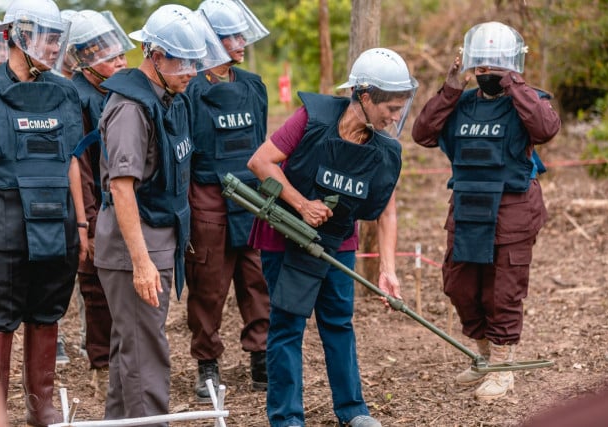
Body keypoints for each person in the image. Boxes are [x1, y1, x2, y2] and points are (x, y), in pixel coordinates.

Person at [247, 47, 418, 427]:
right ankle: (287, 417)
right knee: (288, 326)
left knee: (339, 322)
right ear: (365, 95)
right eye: (390, 108)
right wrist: (301, 203)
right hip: (286, 238)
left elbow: (386, 210)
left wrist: (387, 270)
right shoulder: (313, 118)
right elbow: (261, 162)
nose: (394, 119)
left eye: (400, 110)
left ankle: (353, 410)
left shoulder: (384, 148)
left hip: (340, 244)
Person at [410, 21, 561, 401]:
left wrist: (514, 84)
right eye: (481, 68)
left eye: (495, 67)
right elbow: (423, 133)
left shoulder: (526, 101)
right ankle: (482, 356)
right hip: (466, 206)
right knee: (459, 285)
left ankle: (503, 366)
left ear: (510, 66)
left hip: (512, 208)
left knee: (503, 292)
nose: (487, 75)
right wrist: (451, 85)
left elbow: (545, 129)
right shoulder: (459, 103)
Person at [94, 5, 228, 424]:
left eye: (195, 60)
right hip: (134, 244)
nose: (191, 70)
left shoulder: (170, 99)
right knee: (146, 352)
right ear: (153, 54)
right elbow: (121, 188)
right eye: (181, 60)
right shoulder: (132, 109)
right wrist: (141, 263)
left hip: (158, 237)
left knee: (132, 349)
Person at [0, 0, 88, 425]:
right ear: (18, 35)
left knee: (48, 312)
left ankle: (40, 411)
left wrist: (80, 224)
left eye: (57, 37)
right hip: (1, 223)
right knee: (0, 317)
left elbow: (72, 161)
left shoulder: (64, 91)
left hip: (57, 223)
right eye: (46, 35)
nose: (53, 45)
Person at [184, 0, 270, 401]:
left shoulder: (253, 85)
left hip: (253, 200)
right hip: (208, 199)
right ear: (210, 41)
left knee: (258, 280)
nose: (240, 42)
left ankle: (262, 357)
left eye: (241, 34)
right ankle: (207, 363)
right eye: (230, 36)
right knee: (208, 284)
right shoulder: (190, 89)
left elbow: (260, 147)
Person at [66, 8, 134, 399]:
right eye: (112, 57)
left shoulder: (117, 90)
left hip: (121, 201)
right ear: (86, 60)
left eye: (121, 55)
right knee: (95, 286)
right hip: (95, 206)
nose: (122, 62)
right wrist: (88, 223)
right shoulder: (77, 96)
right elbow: (82, 166)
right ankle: (100, 364)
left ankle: (122, 358)